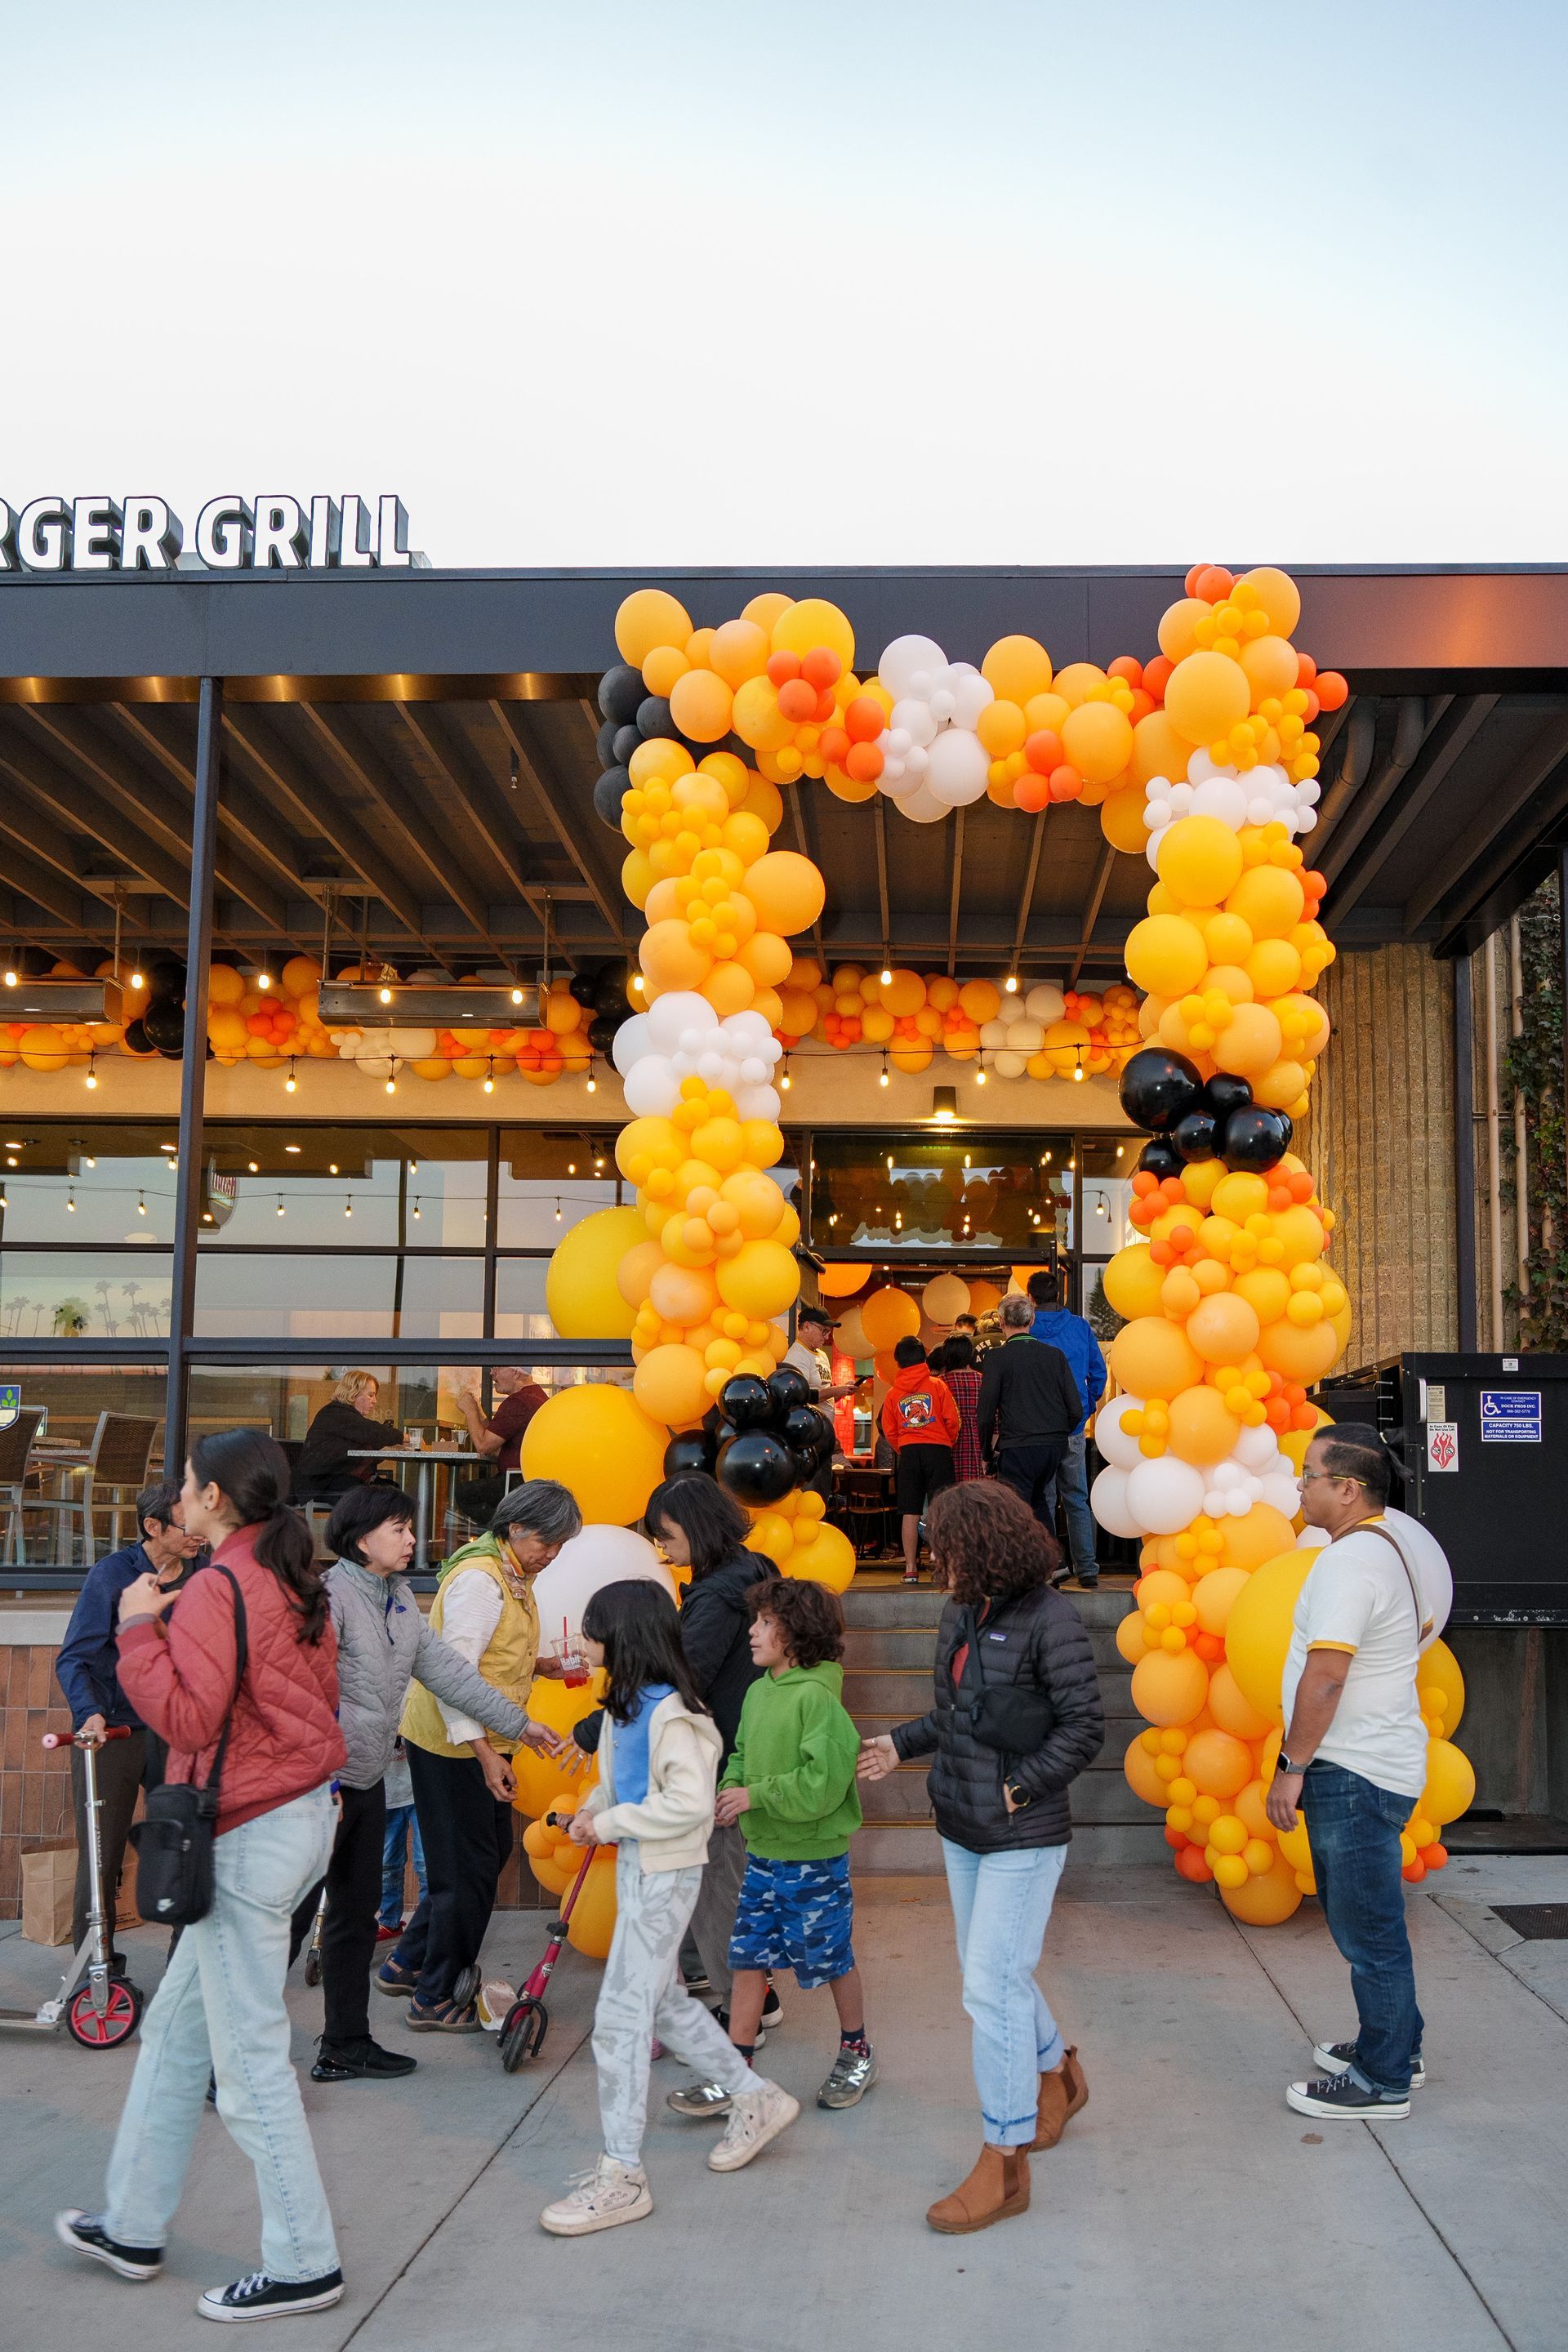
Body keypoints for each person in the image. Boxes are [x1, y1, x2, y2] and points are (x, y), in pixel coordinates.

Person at [56, 1429, 349, 2323]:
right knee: (179, 2037)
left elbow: (186, 1719)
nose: (178, 1498)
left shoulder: (220, 1585)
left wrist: (140, 1627)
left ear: (217, 1499)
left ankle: (304, 2262)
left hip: (251, 1835)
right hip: (296, 1819)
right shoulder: (293, 1576)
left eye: (186, 1485)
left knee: (251, 2061)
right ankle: (134, 2225)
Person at [859, 1481, 1103, 2236]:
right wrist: (898, 1744)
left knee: (989, 1988)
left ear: (984, 1545)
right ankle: (1058, 2070)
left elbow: (1084, 1728)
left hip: (1022, 1835)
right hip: (960, 1823)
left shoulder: (1051, 1620)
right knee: (990, 1971)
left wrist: (1020, 1790)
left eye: (946, 1543)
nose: (935, 1556)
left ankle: (1005, 2159)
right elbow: (955, 1713)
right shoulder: (962, 1611)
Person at [539, 1580, 796, 2236]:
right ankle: (754, 2098)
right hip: (642, 1868)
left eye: (593, 1629)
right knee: (662, 2003)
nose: (585, 1641)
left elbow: (687, 1803)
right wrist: (595, 1814)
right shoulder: (630, 1706)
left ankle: (623, 2173)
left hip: (666, 1874)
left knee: (621, 2019)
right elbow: (621, 1782)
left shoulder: (674, 1713)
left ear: (622, 1635)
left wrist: (612, 1820)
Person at [290, 1482, 565, 2082]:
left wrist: (522, 1726)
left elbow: (450, 1675)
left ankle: (345, 2043)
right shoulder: (331, 1600)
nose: (413, 1540)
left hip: (362, 1783)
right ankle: (220, 2060)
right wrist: (322, 1782)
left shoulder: (395, 1600)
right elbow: (303, 1693)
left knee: (354, 1918)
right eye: (399, 1529)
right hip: (323, 1787)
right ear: (362, 1540)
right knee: (292, 1923)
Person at [1267, 1426, 1449, 2122]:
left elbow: (1327, 1676)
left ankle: (1383, 2081)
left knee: (1368, 1932)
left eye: (1309, 1474)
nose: (1300, 1486)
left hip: (1355, 1771)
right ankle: (1400, 2045)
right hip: (1382, 1762)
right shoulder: (1388, 1547)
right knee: (1373, 1926)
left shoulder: (1348, 1564)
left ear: (1346, 1488)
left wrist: (1293, 1766)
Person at [670, 1575, 871, 2126]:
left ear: (796, 1634)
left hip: (813, 1857)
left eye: (764, 1623)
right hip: (764, 1854)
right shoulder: (759, 1692)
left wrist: (754, 1795)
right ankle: (736, 2068)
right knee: (749, 1958)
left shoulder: (817, 1700)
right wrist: (729, 1792)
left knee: (831, 1958)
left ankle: (856, 2051)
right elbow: (740, 1752)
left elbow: (823, 1786)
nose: (752, 1632)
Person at [378, 1481, 581, 2028]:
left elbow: (488, 1654)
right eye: (549, 1541)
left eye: (561, 1544)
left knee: (480, 1860)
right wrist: (486, 1755)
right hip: (454, 1744)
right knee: (466, 1874)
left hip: (481, 1739)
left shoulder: (512, 1571)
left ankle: (408, 1962)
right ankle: (435, 1996)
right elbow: (454, 1676)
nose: (553, 1554)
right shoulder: (480, 1582)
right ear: (515, 1528)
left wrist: (538, 1666)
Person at [648, 1473, 782, 2038]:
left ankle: (745, 2003)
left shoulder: (716, 1595)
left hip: (721, 1754)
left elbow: (688, 1676)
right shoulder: (753, 1571)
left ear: (696, 1530)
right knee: (717, 1880)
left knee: (716, 1884)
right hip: (745, 1745)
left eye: (668, 1536)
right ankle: (739, 1988)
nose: (664, 1549)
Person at [54, 1479, 203, 1963]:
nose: (197, 1532)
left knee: (188, 1846)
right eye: (186, 1523)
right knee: (103, 1855)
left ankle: (186, 1964)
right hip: (115, 1730)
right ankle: (96, 1968)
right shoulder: (113, 1575)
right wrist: (88, 1712)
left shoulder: (208, 1573)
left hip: (179, 1730)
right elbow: (74, 1657)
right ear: (153, 1526)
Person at [1027, 1269, 1107, 1588]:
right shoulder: (1079, 1327)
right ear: (1058, 1294)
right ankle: (1087, 1568)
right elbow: (1097, 1374)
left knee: (1043, 1499)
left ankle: (1050, 1568)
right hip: (1072, 1427)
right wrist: (1085, 1407)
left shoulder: (1027, 1328)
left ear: (1031, 1297)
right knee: (1076, 1498)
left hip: (1037, 1428)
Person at [977, 1294, 1082, 1530]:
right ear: (1032, 1320)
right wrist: (1058, 1432)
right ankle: (1054, 1560)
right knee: (1038, 1500)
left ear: (1002, 1322)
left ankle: (1022, 1563)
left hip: (1018, 1444)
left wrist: (986, 1451)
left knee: (1015, 1509)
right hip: (1053, 1445)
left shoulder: (996, 1358)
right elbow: (1075, 1408)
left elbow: (985, 1413)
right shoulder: (1054, 1356)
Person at [880, 1335, 960, 1583]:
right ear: (924, 1358)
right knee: (941, 1508)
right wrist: (947, 1441)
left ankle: (911, 1568)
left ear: (898, 1363)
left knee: (910, 1511)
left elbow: (889, 1430)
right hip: (937, 1450)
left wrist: (903, 1446)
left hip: (910, 1453)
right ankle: (942, 1563)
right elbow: (952, 1421)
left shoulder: (893, 1394)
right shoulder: (938, 1386)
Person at [292, 1370, 404, 1507]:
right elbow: (372, 1431)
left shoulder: (350, 1419)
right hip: (322, 1482)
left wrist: (384, 1449)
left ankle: (386, 1528)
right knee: (364, 1496)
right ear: (353, 1393)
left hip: (345, 1478)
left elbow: (363, 1443)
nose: (375, 1401)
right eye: (371, 1395)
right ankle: (359, 1528)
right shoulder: (334, 1413)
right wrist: (405, 1437)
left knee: (394, 1492)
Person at [452, 1365, 548, 1526]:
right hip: (529, 1481)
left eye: (497, 1368)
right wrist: (480, 1413)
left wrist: (470, 1411)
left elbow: (484, 1445)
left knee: (465, 1493)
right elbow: (496, 1440)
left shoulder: (519, 1402)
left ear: (516, 1372)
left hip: (517, 1482)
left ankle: (506, 1529)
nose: (492, 1373)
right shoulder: (535, 1396)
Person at [783, 1303, 857, 1498]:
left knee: (823, 1490)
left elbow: (822, 1392)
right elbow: (800, 1395)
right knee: (811, 1490)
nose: (826, 1337)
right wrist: (835, 1390)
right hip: (807, 1434)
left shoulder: (822, 1355)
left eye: (828, 1332)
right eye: (823, 1331)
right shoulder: (796, 1356)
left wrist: (839, 1392)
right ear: (806, 1327)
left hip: (825, 1432)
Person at [379, 1741, 426, 1938]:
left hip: (421, 1790)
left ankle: (427, 1924)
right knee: (387, 1865)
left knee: (426, 1865)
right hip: (385, 1793)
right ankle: (389, 1921)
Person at [937, 1332, 987, 1485]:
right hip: (980, 1445)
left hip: (949, 1447)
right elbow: (995, 1417)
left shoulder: (940, 1383)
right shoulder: (983, 1380)